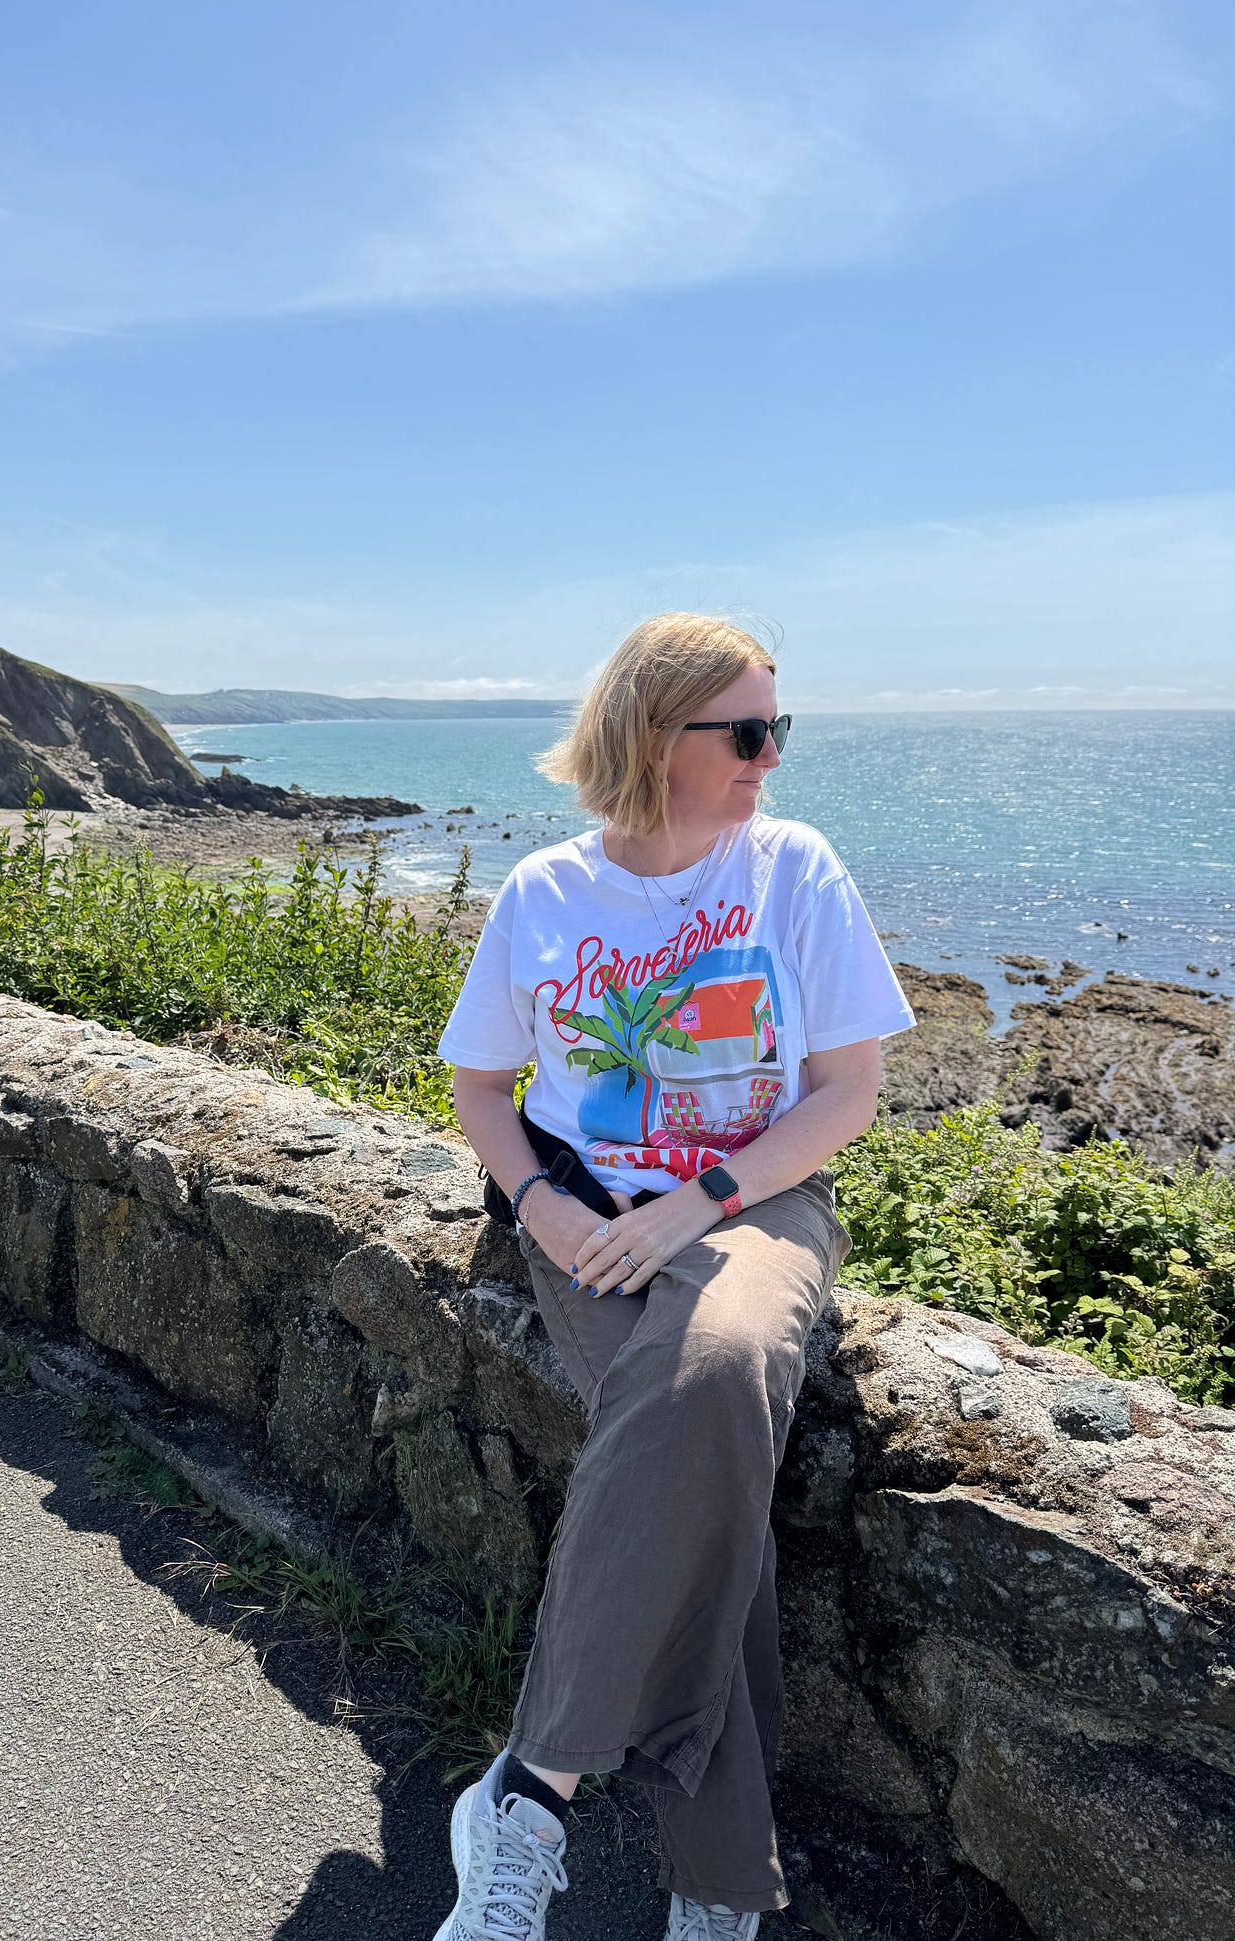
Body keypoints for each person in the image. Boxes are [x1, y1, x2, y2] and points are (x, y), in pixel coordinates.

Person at [430, 612, 917, 1941]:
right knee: (707, 1470)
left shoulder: (793, 869)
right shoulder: (544, 894)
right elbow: (479, 1086)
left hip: (758, 1198)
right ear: (656, 739)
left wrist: (697, 1203)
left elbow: (847, 1092)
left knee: (717, 1370)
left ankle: (528, 1793)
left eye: (778, 728)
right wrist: (536, 1201)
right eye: (748, 732)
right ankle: (717, 1879)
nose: (772, 758)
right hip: (582, 1211)